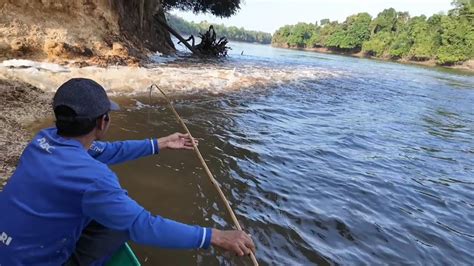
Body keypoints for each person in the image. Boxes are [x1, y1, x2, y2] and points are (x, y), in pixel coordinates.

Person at [0, 78, 255, 265]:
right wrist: (215, 236)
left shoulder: (42, 140)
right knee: (122, 225)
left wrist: (161, 143)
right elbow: (142, 225)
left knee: (110, 213)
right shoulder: (95, 179)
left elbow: (108, 150)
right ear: (102, 122)